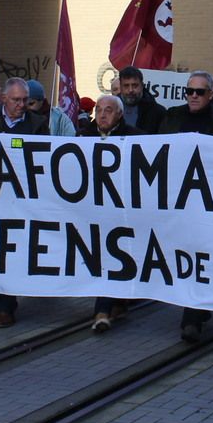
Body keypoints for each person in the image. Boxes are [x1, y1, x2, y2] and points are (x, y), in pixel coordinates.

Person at [160, 70, 213, 341]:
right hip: (178, 199)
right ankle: (197, 308)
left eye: (199, 92)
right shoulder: (172, 118)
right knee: (185, 254)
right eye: (189, 91)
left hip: (209, 199)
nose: (193, 96)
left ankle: (193, 315)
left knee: (201, 255)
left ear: (211, 94)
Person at [0, 77, 46, 326]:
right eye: (15, 100)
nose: (21, 105)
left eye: (25, 100)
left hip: (21, 200)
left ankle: (6, 307)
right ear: (3, 98)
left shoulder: (37, 125)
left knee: (11, 250)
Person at [80, 95, 144, 332]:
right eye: (99, 109)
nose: (102, 114)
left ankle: (103, 310)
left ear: (120, 114)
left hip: (122, 211)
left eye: (108, 110)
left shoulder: (137, 138)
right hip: (91, 210)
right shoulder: (82, 137)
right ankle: (115, 303)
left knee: (111, 255)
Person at [117, 65, 166, 134]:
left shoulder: (158, 112)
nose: (130, 90)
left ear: (142, 85)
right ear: (120, 87)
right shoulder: (109, 110)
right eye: (126, 86)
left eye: (135, 85)